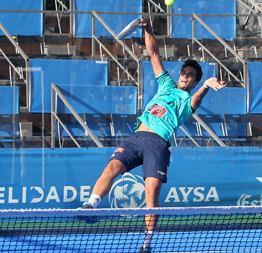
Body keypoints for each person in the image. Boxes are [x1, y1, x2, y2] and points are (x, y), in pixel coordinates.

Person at [78, 19, 227, 253]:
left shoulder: (188, 100)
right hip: (136, 137)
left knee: (151, 195)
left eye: (191, 76)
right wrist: (147, 29)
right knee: (110, 169)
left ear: (195, 81)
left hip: (157, 145)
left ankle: (146, 244)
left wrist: (207, 84)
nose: (186, 76)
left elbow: (198, 98)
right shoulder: (166, 84)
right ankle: (91, 207)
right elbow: (154, 52)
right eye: (184, 73)